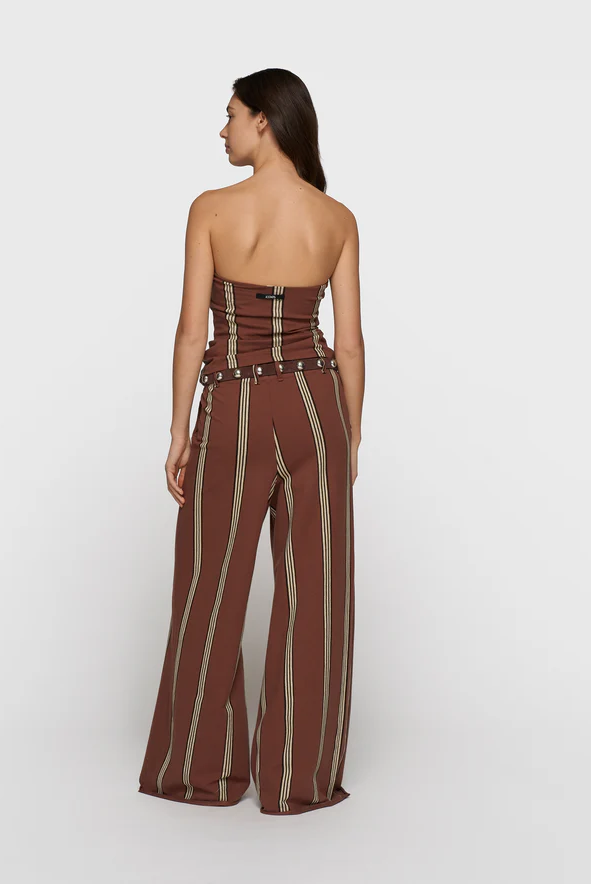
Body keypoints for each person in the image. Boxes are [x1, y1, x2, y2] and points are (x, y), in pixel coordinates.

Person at [137, 68, 364, 815]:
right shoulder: (336, 219)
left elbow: (190, 332)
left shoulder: (211, 209)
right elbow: (351, 344)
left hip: (233, 405)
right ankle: (299, 779)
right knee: (316, 594)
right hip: (316, 407)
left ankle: (197, 772)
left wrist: (179, 429)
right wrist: (350, 436)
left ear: (265, 119)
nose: (223, 128)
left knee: (209, 586)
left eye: (231, 114)